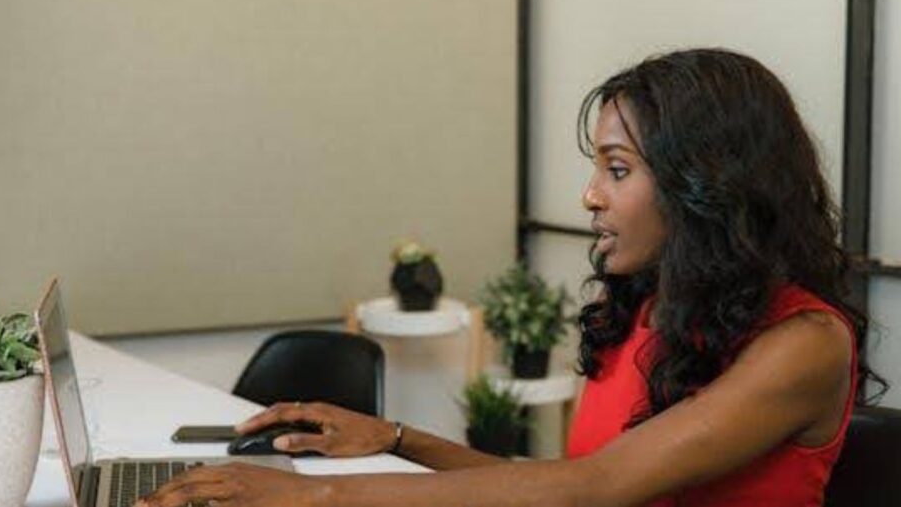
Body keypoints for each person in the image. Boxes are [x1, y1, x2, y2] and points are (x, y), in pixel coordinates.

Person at [135, 48, 885, 507]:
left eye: (616, 170)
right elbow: (557, 484)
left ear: (704, 185)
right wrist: (396, 438)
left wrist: (316, 495)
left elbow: (592, 490)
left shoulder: (805, 344)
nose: (590, 195)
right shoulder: (657, 308)